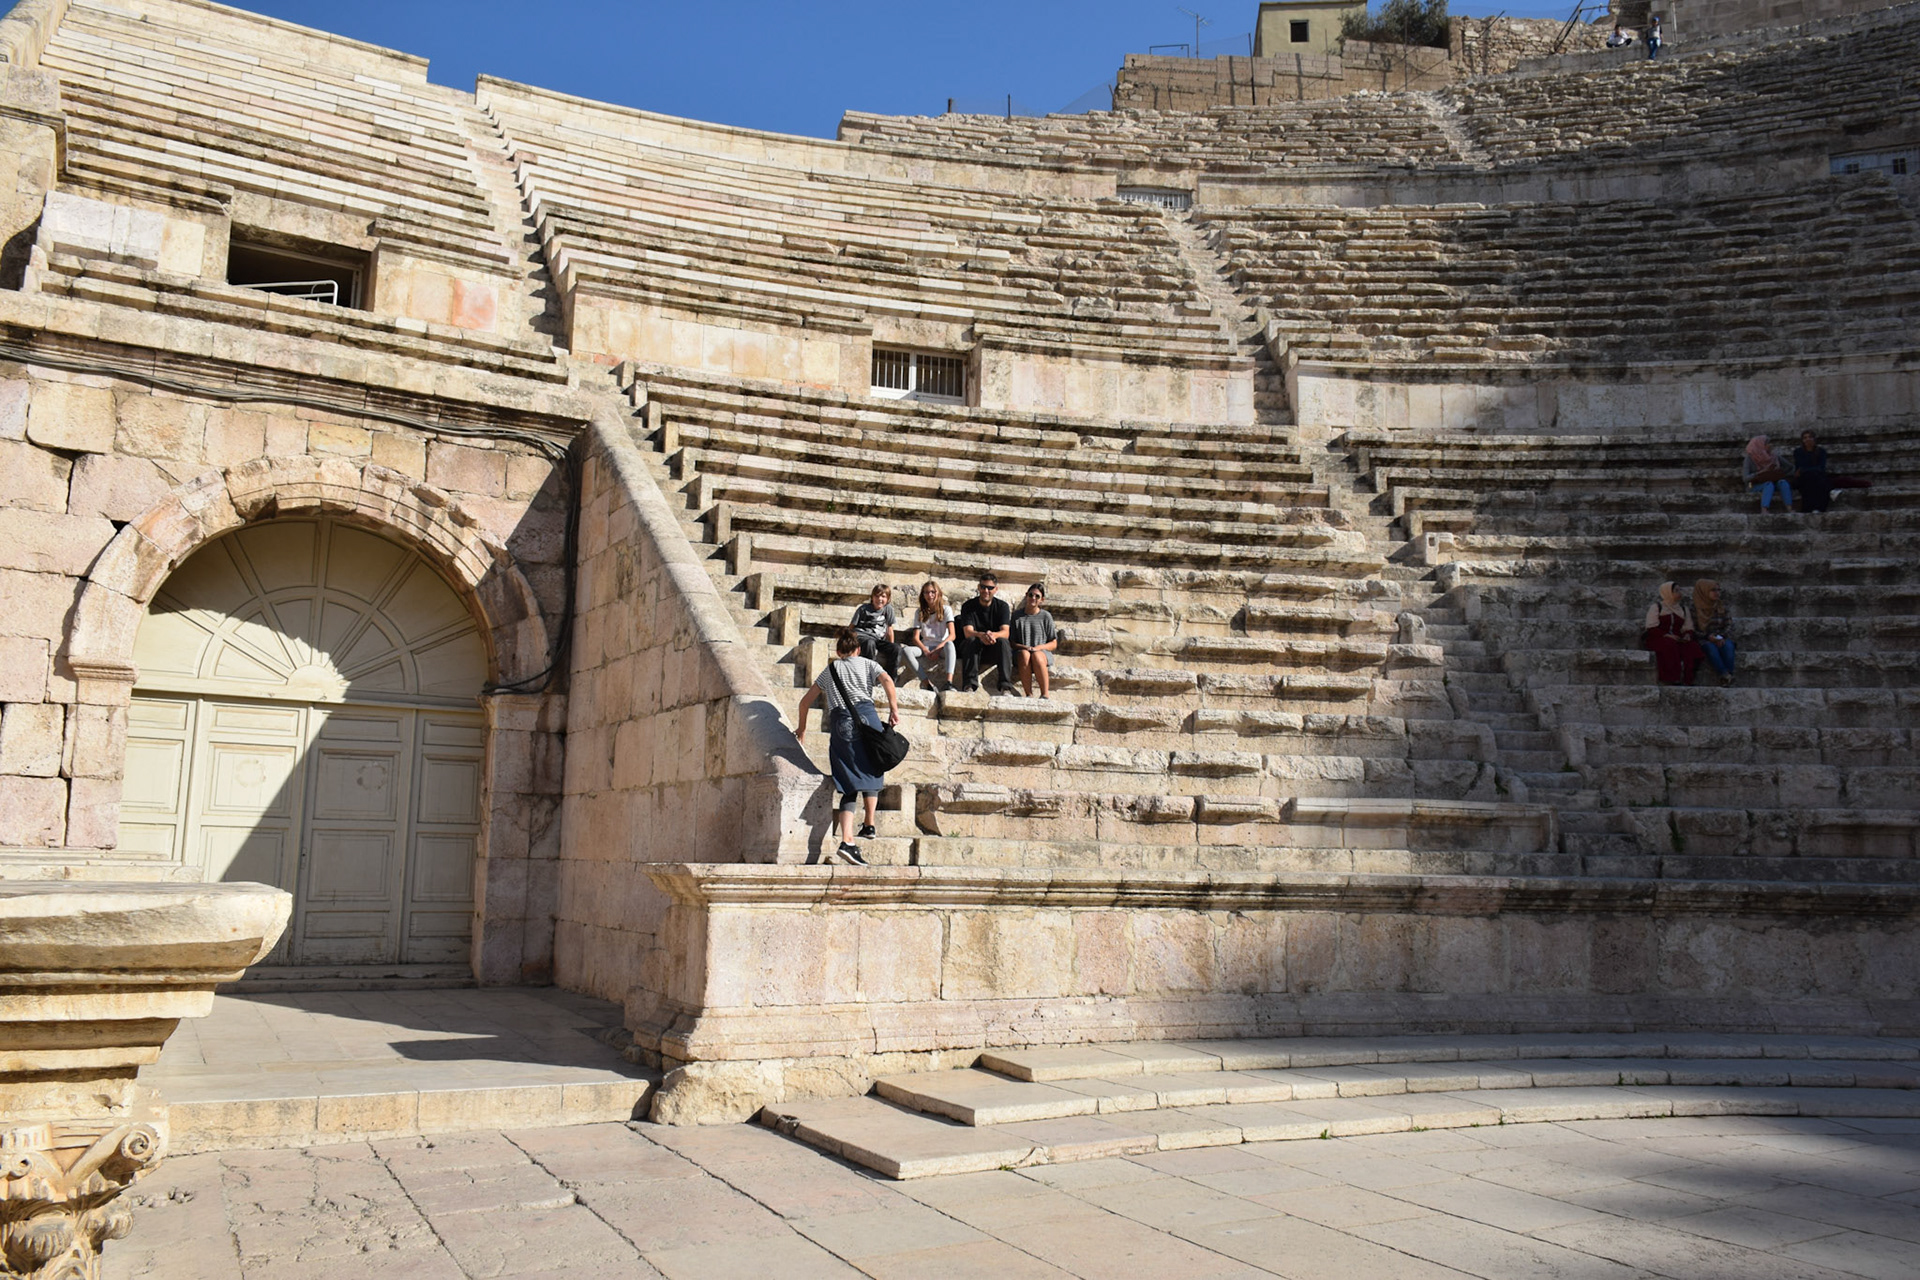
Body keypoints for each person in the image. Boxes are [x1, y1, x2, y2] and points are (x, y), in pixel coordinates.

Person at [793, 627, 900, 865]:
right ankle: (869, 824)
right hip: (868, 719)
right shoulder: (868, 664)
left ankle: (848, 840)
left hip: (842, 725)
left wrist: (802, 729)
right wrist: (894, 709)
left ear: (839, 651)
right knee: (874, 766)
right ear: (858, 649)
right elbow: (887, 680)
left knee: (849, 781)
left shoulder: (830, 670)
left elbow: (804, 702)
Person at [955, 571, 1013, 694]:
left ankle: (1005, 687)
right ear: (978, 587)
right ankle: (969, 685)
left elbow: (1005, 632)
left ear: (996, 589)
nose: (986, 591)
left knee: (1003, 642)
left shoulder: (1002, 607)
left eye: (990, 588)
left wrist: (993, 635)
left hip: (993, 647)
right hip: (974, 649)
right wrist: (981, 635)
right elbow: (968, 632)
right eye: (983, 587)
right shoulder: (968, 606)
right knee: (971, 640)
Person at [1642, 580, 1703, 685]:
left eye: (1680, 590)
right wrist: (1668, 635)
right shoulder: (1657, 607)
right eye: (1676, 591)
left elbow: (1688, 626)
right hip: (1659, 637)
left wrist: (1687, 635)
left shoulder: (1683, 609)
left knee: (1692, 647)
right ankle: (1672, 678)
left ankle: (1688, 679)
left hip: (1678, 638)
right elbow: (1651, 627)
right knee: (1669, 645)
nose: (1679, 593)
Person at [1009, 583, 1060, 699]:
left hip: (1042, 652)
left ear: (1042, 599)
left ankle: (1045, 694)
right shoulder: (1016, 616)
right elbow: (1012, 642)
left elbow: (1053, 643)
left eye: (1037, 596)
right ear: (1026, 595)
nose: (1033, 598)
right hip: (1022, 651)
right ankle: (1029, 694)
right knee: (1024, 655)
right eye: (1031, 595)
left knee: (1037, 656)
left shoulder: (1046, 616)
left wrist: (1038, 648)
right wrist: (1025, 647)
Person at [908, 579, 957, 691]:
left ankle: (949, 682)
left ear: (938, 593)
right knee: (906, 650)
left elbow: (952, 635)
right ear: (923, 595)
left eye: (933, 592)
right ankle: (926, 683)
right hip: (926, 647)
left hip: (942, 647)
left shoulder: (946, 610)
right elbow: (915, 638)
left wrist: (938, 649)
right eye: (926, 592)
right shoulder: (919, 612)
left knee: (950, 644)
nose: (930, 595)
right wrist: (925, 650)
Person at [849, 584, 900, 680]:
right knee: (870, 643)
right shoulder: (863, 609)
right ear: (872, 597)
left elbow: (889, 629)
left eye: (883, 596)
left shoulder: (888, 609)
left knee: (896, 648)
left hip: (878, 639)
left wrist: (891, 645)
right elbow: (851, 627)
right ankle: (870, 676)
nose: (880, 599)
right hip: (862, 637)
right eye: (877, 596)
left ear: (888, 599)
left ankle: (890, 679)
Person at [1693, 579, 1736, 686]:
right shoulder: (1695, 608)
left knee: (1728, 647)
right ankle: (1724, 674)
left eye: (1718, 590)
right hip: (1704, 638)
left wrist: (1721, 636)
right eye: (1713, 590)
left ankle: (1728, 675)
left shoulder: (1721, 607)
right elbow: (1693, 629)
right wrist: (1708, 636)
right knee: (1711, 649)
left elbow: (1729, 625)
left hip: (1721, 637)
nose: (1717, 593)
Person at [1742, 435, 1793, 514]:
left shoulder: (1774, 456)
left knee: (1783, 483)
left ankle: (1789, 508)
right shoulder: (1749, 459)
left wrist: (1779, 473)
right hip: (1754, 484)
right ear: (1760, 445)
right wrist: (1761, 473)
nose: (1770, 445)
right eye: (1767, 443)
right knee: (1768, 485)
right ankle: (1764, 509)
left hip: (1773, 481)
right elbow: (1745, 478)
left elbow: (1790, 467)